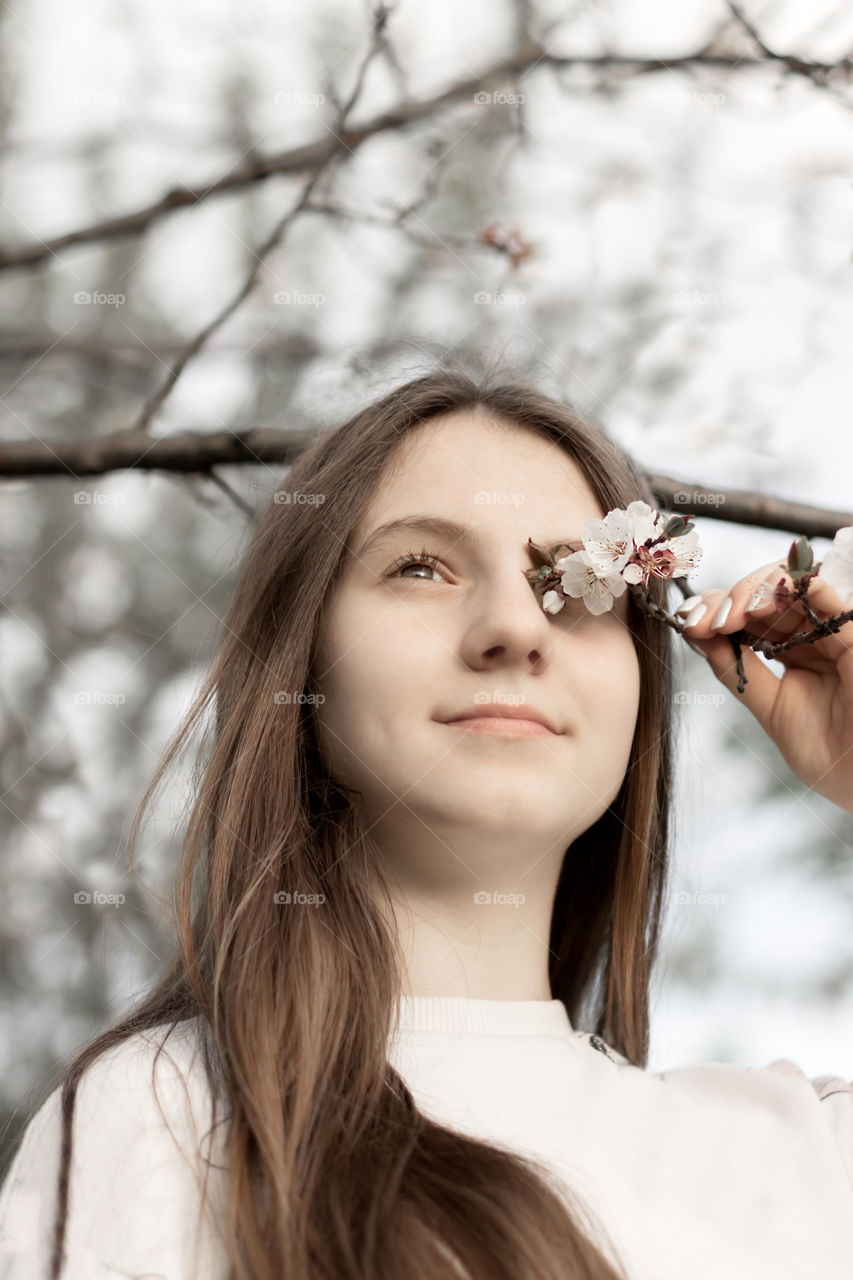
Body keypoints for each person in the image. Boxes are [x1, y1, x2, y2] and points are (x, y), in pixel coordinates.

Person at [1, 358, 851, 1280]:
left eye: (577, 582)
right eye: (420, 566)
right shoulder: (166, 1115)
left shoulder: (806, 1154)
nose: (515, 627)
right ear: (304, 670)